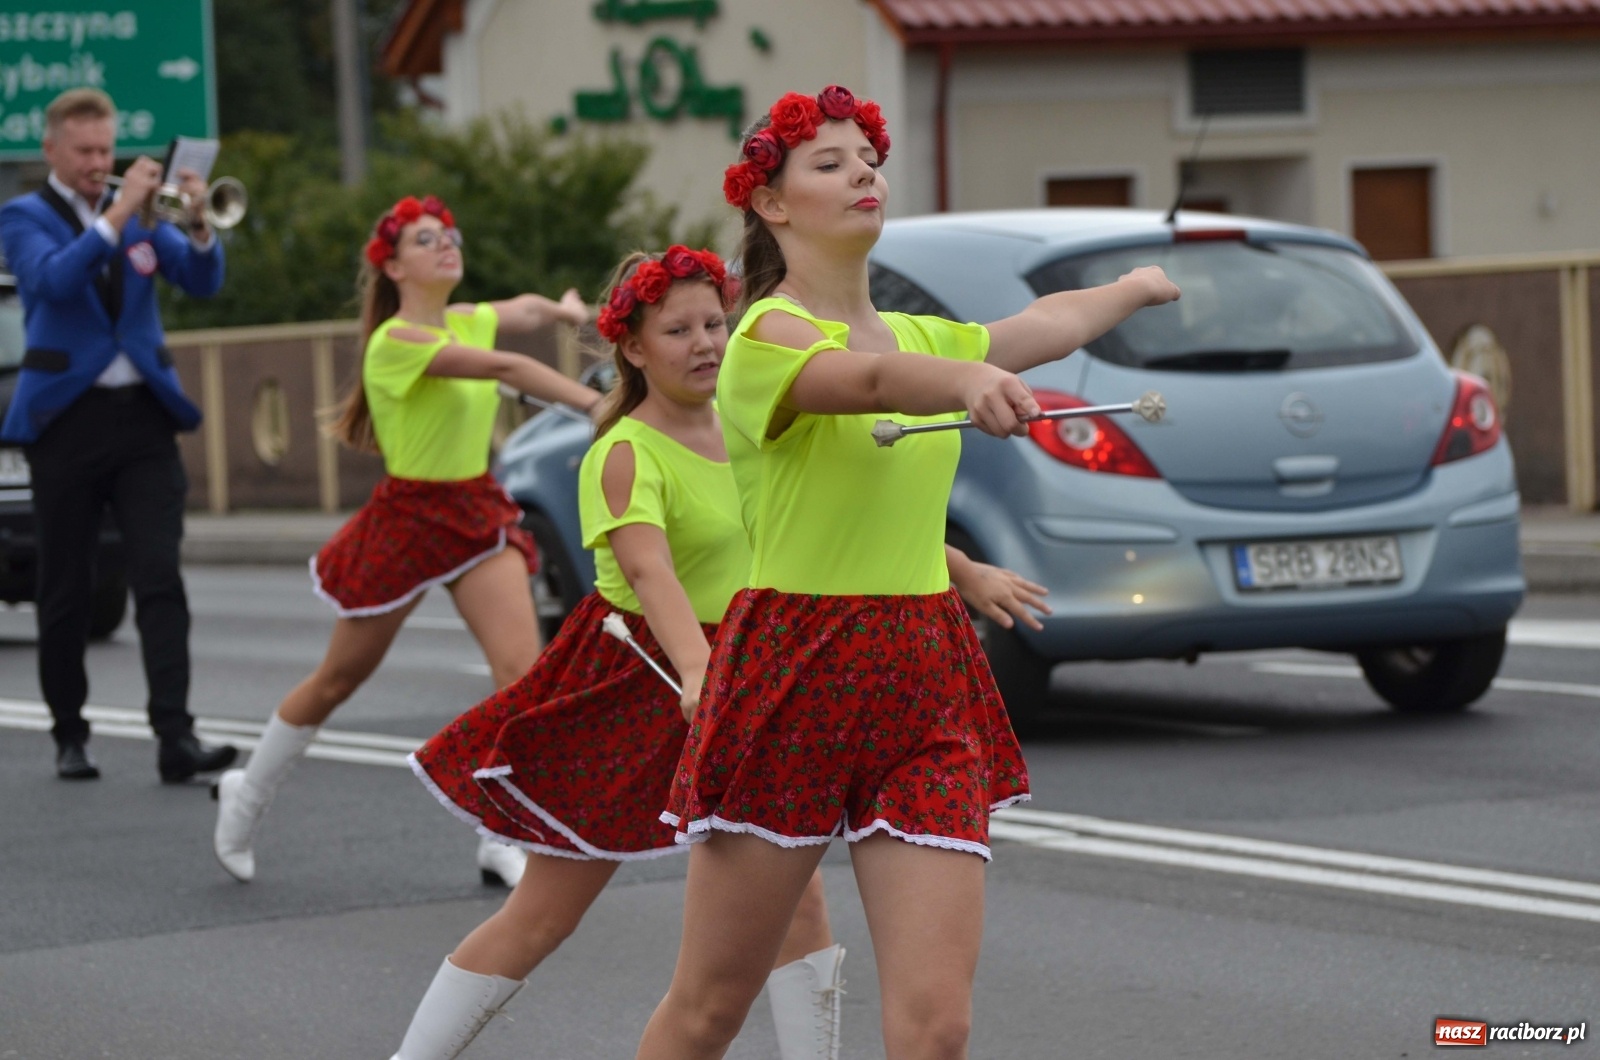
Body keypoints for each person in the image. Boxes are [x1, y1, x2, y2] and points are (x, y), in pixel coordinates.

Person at [393, 246, 1051, 1060]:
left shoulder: (752, 424)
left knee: (802, 911)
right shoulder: (626, 449)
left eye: (715, 322)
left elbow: (809, 527)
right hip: (645, 680)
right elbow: (648, 571)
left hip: (758, 675)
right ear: (633, 347)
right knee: (545, 911)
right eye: (678, 329)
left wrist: (961, 569)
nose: (705, 342)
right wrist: (697, 670)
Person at [634, 87, 1180, 1060]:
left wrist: (1134, 285)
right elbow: (870, 386)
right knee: (709, 1007)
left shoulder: (925, 335)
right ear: (772, 203)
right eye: (829, 163)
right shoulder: (761, 338)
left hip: (923, 673)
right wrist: (970, 383)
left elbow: (1047, 320)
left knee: (936, 1027)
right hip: (791, 671)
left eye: (867, 159)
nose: (862, 175)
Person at [210, 194, 596, 887]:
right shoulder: (396, 343)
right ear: (393, 266)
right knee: (338, 680)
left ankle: (497, 833)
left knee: (522, 677)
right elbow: (507, 370)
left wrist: (564, 310)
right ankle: (248, 794)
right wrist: (600, 404)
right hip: (409, 519)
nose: (447, 243)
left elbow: (526, 310)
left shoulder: (469, 318)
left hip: (475, 512)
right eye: (426, 239)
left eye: (450, 233)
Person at [0, 88, 237, 783]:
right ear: (51, 150)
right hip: (64, 421)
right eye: (84, 152)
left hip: (142, 417)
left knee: (159, 577)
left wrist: (197, 224)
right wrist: (116, 214)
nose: (97, 163)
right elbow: (53, 280)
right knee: (67, 585)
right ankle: (70, 730)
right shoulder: (22, 216)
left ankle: (176, 735)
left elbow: (201, 281)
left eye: (106, 150)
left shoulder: (138, 218)